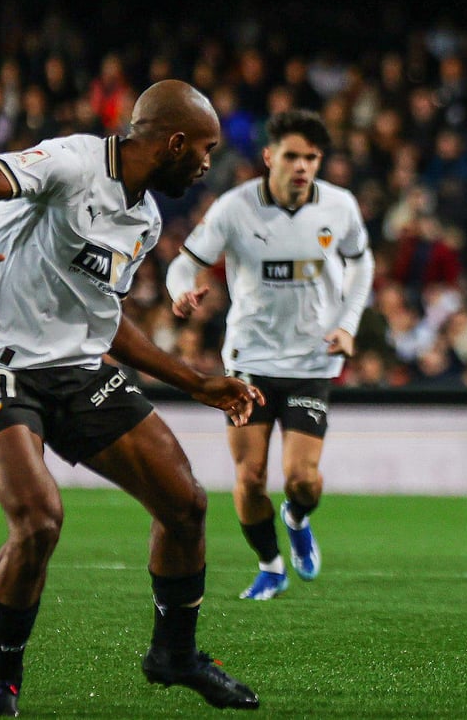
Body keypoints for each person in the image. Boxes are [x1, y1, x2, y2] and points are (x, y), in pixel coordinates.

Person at [0, 80, 265, 716]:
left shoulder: (143, 219)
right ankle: (0, 684)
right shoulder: (73, 162)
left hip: (74, 369)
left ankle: (174, 654)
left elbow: (103, 318)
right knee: (38, 521)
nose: (207, 163)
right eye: (204, 149)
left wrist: (195, 383)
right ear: (173, 142)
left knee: (185, 504)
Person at [166, 109, 373, 601]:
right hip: (250, 359)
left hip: (310, 362)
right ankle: (270, 565)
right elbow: (185, 262)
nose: (302, 166)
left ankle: (297, 517)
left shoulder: (339, 207)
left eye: (311, 157)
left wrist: (347, 324)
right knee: (251, 475)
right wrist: (180, 291)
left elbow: (361, 263)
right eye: (292, 156)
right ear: (268, 157)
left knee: (302, 480)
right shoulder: (234, 208)